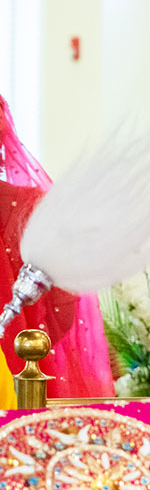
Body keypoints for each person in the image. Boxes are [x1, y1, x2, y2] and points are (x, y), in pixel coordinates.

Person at [0, 94, 114, 398]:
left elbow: (63, 300)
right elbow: (62, 304)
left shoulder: (29, 208)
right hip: (25, 365)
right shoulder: (31, 208)